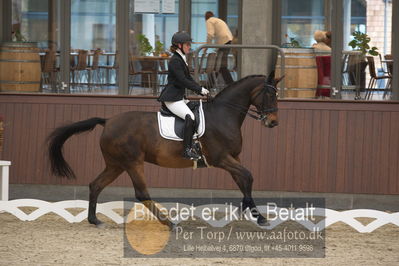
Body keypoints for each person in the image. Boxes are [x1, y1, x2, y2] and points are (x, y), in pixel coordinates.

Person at [158, 31, 210, 160]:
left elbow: (189, 78)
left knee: (197, 108)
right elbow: (183, 80)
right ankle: (186, 150)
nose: (189, 47)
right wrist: (199, 89)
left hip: (179, 97)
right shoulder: (175, 60)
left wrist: (201, 90)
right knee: (190, 117)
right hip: (172, 99)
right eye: (187, 44)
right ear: (179, 45)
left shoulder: (181, 58)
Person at [204, 11, 234, 85]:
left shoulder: (209, 21)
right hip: (227, 41)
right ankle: (209, 85)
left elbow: (210, 34)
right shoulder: (217, 20)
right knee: (218, 66)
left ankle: (232, 85)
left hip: (224, 42)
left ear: (206, 17)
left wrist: (206, 46)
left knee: (221, 66)